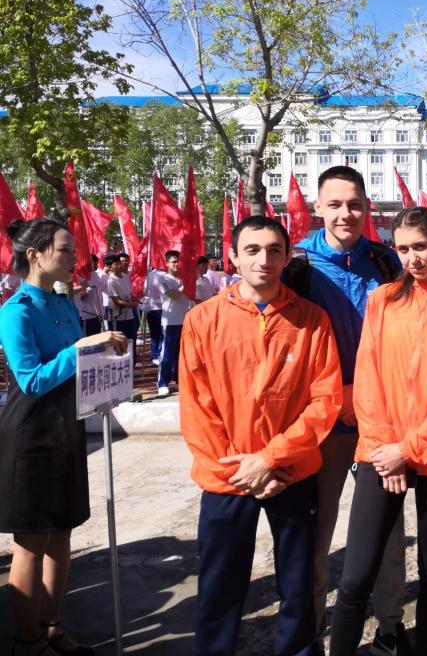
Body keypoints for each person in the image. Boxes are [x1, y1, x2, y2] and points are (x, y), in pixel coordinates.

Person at [178, 215, 344, 655]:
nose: (264, 259)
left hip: (290, 472)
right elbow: (197, 407)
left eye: (274, 250)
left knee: (297, 583)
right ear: (233, 257)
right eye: (252, 250)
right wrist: (240, 471)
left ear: (287, 257)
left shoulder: (312, 320)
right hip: (226, 475)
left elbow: (324, 401)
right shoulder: (203, 319)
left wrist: (270, 459)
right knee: (220, 585)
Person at [329, 207, 427, 656]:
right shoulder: (382, 299)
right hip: (381, 452)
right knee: (357, 575)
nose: (412, 258)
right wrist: (387, 448)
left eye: (420, 247)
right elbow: (368, 376)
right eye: (402, 249)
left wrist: (410, 449)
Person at [288, 165, 407, 653]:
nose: (345, 214)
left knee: (389, 532)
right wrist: (337, 395)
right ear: (318, 207)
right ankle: (313, 631)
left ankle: (391, 627)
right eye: (335, 205)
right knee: (317, 534)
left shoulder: (385, 261)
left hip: (381, 422)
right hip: (325, 421)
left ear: (367, 207)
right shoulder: (297, 265)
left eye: (355, 205)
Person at [0, 218, 128, 656]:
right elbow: (32, 379)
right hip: (31, 434)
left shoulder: (64, 302)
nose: (75, 258)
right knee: (32, 541)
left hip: (67, 427)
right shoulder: (16, 311)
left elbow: (78, 364)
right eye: (65, 250)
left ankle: (52, 628)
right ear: (35, 255)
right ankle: (28, 641)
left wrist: (104, 359)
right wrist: (79, 350)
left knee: (61, 535)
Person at [155, 250, 190, 397]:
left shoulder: (182, 278)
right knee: (167, 354)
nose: (176, 264)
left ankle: (179, 379)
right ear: (167, 263)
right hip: (170, 321)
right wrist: (186, 285)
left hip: (184, 320)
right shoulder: (162, 279)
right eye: (173, 262)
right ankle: (162, 383)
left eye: (178, 261)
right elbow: (174, 295)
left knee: (182, 354)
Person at [105, 254, 138, 349]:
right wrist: (132, 304)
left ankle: (132, 358)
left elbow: (130, 293)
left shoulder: (125, 277)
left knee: (131, 339)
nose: (120, 265)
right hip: (117, 317)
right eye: (116, 264)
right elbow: (117, 301)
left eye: (120, 263)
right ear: (110, 267)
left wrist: (138, 300)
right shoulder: (111, 281)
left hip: (129, 315)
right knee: (120, 342)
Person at [72, 255, 104, 336]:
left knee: (97, 340)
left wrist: (102, 312)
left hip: (98, 314)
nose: (94, 266)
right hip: (87, 315)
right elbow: (81, 296)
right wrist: (88, 289)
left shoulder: (95, 275)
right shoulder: (79, 276)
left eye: (96, 264)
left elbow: (99, 294)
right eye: (92, 264)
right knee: (88, 339)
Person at [143, 265, 164, 367]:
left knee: (155, 334)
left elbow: (144, 291)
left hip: (151, 308)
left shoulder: (149, 275)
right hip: (159, 307)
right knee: (160, 334)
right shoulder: (162, 275)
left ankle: (155, 355)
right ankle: (157, 355)